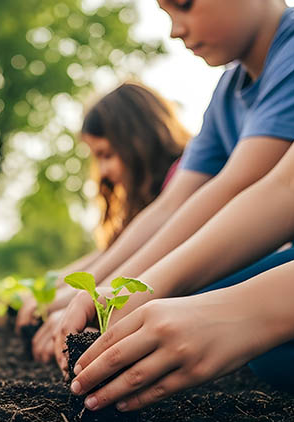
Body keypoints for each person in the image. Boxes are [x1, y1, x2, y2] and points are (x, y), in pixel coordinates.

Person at [65, 0, 294, 422]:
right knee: (271, 341)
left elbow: (241, 185)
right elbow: (290, 187)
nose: (174, 30)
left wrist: (246, 312)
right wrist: (139, 286)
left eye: (185, 5)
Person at [15, 81, 190, 334]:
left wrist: (77, 302)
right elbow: (112, 252)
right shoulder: (145, 195)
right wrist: (54, 290)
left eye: (106, 155)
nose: (103, 171)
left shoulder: (183, 178)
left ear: (139, 141)